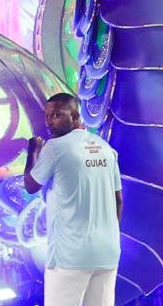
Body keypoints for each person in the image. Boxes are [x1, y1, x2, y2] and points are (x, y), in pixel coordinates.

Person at [22, 93, 122, 306]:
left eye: (57, 115)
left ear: (75, 116)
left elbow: (31, 185)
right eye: (47, 115)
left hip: (70, 258)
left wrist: (33, 151)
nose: (49, 121)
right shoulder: (106, 148)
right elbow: (118, 200)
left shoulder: (55, 148)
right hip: (106, 254)